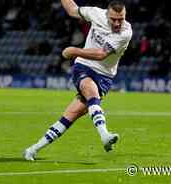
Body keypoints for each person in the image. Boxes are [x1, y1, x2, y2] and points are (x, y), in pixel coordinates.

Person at [23, 0, 132, 161]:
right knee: (91, 92)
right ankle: (104, 135)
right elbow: (73, 9)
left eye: (120, 19)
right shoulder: (95, 13)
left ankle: (33, 149)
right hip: (84, 67)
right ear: (106, 14)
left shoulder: (125, 32)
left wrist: (74, 51)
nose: (117, 23)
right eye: (113, 19)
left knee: (70, 115)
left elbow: (102, 54)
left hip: (104, 76)